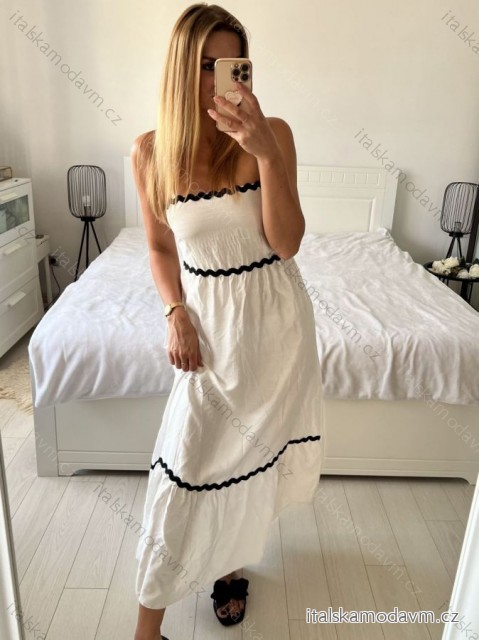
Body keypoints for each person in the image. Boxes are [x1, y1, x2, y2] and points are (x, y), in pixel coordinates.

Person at [131, 4, 324, 639]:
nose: (222, 76)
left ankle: (230, 566)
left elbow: (287, 244)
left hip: (275, 328)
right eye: (206, 64)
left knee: (248, 462)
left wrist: (264, 153)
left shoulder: (275, 134)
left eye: (233, 63)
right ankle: (147, 629)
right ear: (180, 68)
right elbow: (160, 249)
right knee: (185, 466)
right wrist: (174, 312)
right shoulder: (150, 152)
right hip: (209, 331)